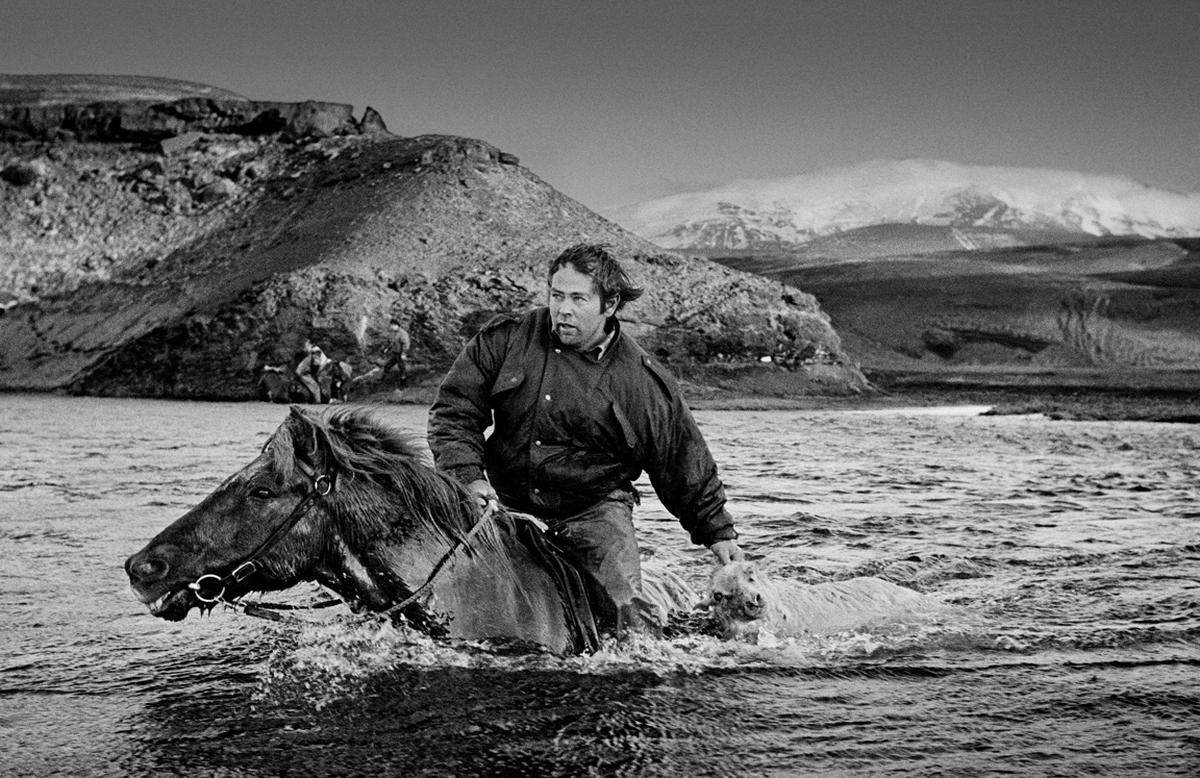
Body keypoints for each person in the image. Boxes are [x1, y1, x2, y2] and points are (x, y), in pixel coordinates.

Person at [428, 243, 744, 633]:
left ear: (609, 305)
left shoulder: (642, 382)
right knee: (432, 592)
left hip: (594, 510)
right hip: (500, 501)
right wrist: (467, 477)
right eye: (556, 295)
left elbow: (681, 460)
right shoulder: (506, 339)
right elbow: (454, 412)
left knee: (624, 620)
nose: (563, 309)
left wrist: (717, 532)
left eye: (578, 298)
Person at [381, 319, 411, 386]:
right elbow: (392, 342)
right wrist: (387, 348)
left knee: (402, 368)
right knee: (387, 365)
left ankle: (403, 384)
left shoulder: (403, 333)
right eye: (391, 325)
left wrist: (404, 354)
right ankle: (382, 380)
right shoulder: (393, 333)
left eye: (392, 325)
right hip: (395, 353)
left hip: (400, 354)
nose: (391, 327)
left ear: (396, 325)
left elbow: (406, 344)